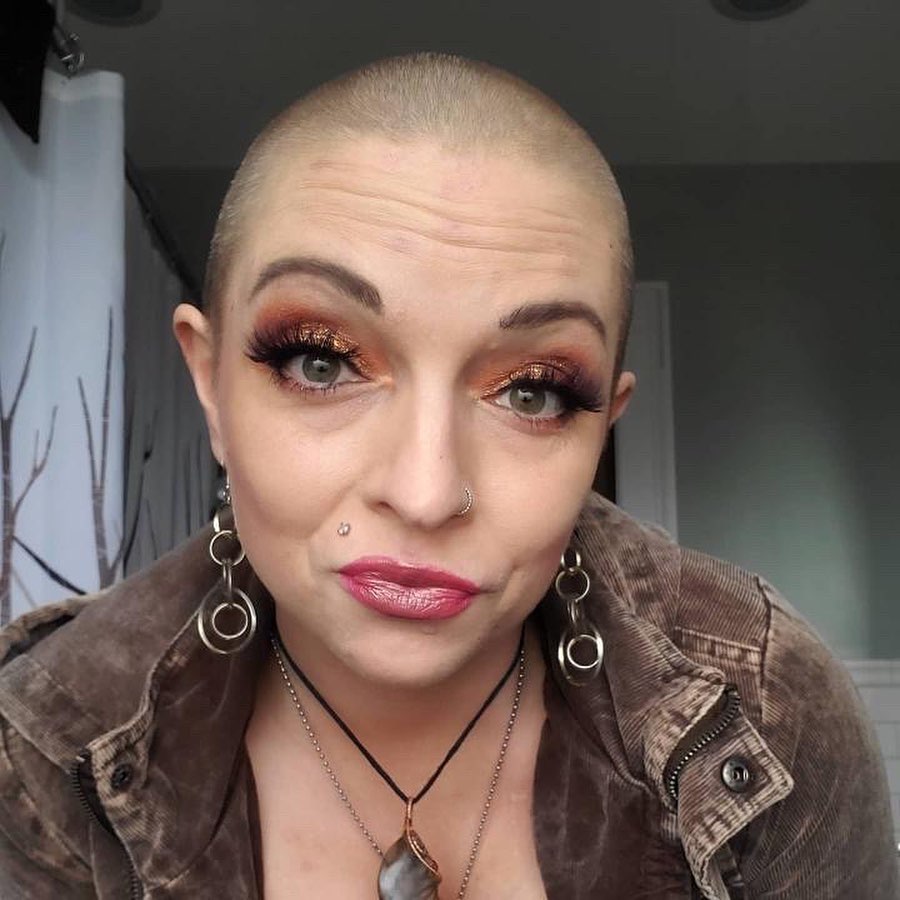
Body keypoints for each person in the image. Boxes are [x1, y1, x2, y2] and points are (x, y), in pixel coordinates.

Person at [0, 53, 895, 900]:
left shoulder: (770, 708)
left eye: (534, 391)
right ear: (211, 388)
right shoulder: (43, 746)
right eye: (321, 362)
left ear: (602, 426)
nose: (426, 495)